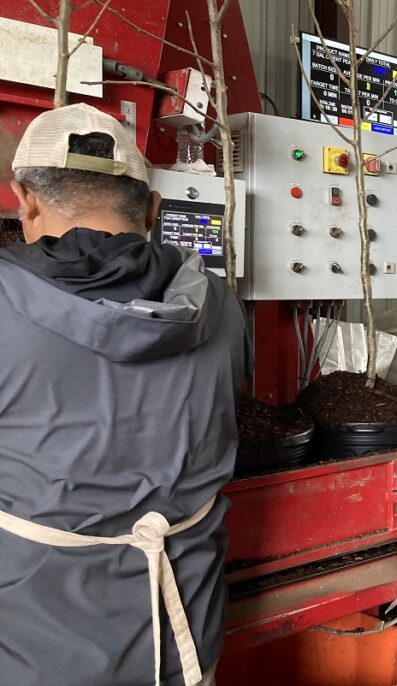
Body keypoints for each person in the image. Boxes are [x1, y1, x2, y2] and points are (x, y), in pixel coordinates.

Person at [0, 104, 247, 685]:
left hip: (35, 653)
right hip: (185, 639)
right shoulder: (221, 305)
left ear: (25, 200)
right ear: (153, 209)